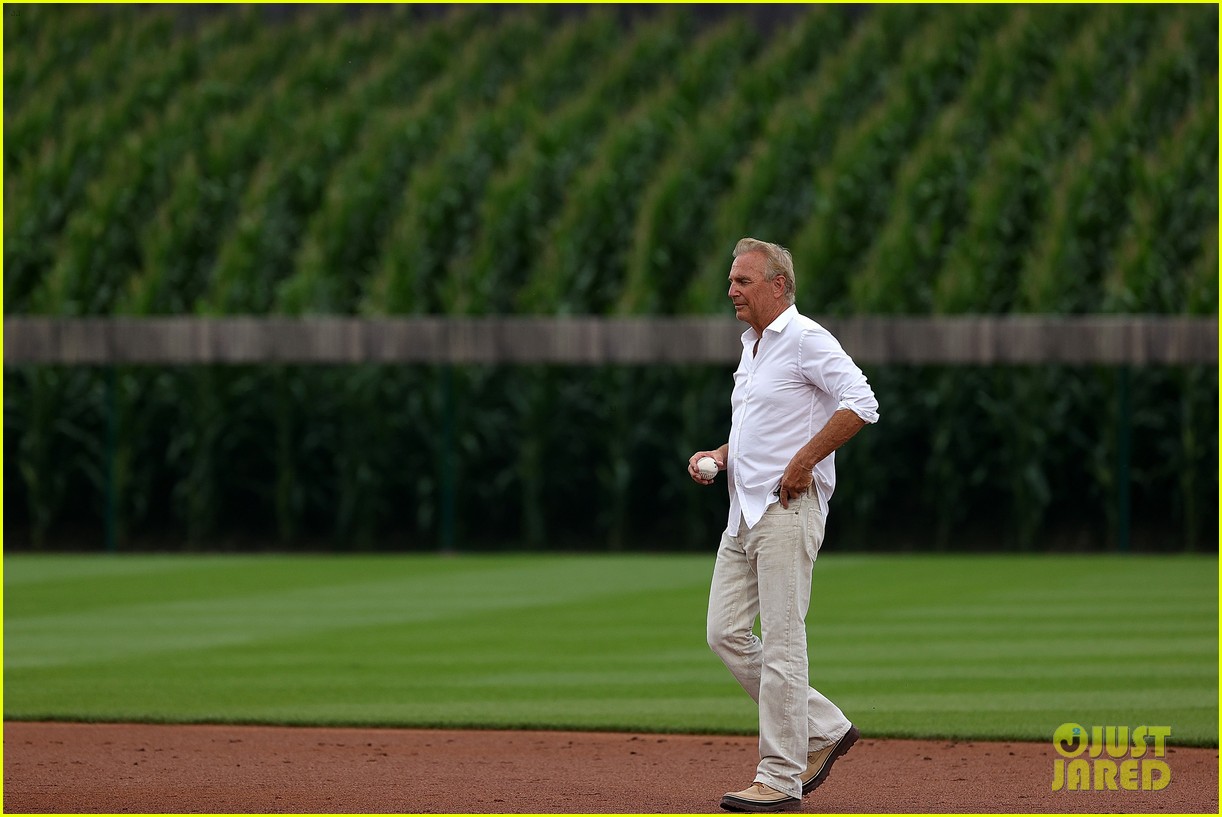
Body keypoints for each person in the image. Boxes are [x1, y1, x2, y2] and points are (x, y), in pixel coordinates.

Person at [688, 237, 879, 812]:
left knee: (782, 644)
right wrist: (721, 457)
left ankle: (779, 777)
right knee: (723, 632)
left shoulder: (805, 339)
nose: (731, 292)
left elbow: (862, 402)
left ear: (778, 286)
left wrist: (805, 461)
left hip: (786, 512)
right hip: (742, 514)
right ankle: (824, 726)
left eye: (743, 281)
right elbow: (758, 432)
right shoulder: (753, 348)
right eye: (730, 281)